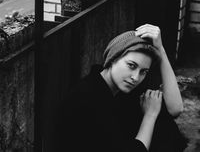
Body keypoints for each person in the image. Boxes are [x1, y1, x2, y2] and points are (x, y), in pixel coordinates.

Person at [53, 24, 187, 152]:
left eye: (143, 71)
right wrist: (150, 115)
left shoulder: (122, 88)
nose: (136, 77)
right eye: (131, 65)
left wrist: (161, 50)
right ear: (112, 59)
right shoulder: (86, 99)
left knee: (164, 126)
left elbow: (175, 109)